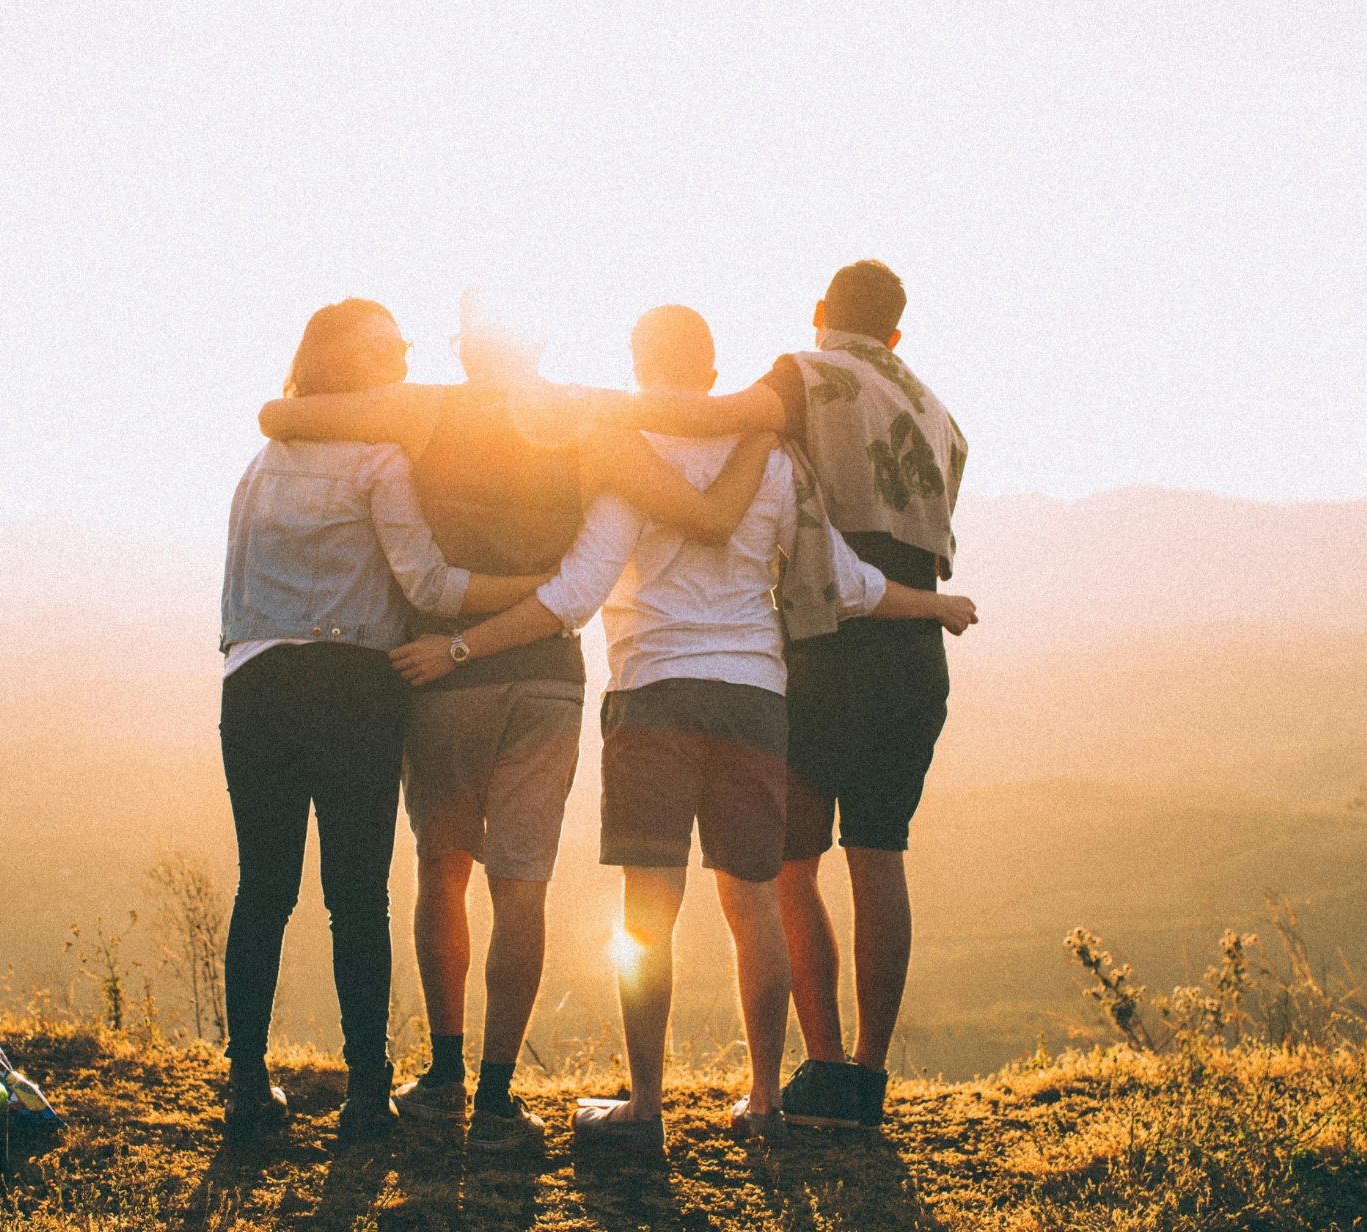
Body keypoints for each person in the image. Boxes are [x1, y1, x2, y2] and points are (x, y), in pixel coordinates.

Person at [389, 305, 975, 1154]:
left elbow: (575, 595)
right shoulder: (773, 460)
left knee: (647, 914)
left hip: (652, 695)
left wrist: (461, 645)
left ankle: (647, 1107)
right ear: (711, 373)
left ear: (637, 364)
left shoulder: (628, 457)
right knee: (754, 905)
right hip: (754, 701)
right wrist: (936, 605)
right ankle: (766, 1102)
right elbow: (845, 582)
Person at [256, 289, 777, 1152]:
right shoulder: (588, 419)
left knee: (442, 870)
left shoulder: (422, 411)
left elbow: (285, 415)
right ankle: (498, 1098)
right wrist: (761, 424)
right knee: (521, 885)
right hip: (545, 677)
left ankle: (445, 1073)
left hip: (440, 673)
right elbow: (702, 509)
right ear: (540, 339)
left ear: (465, 350)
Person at [595, 262, 974, 1130]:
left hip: (827, 641)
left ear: (819, 315)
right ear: (898, 333)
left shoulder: (805, 376)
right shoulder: (940, 413)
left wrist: (588, 408)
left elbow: (716, 418)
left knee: (786, 869)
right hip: (912, 645)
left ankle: (820, 1068)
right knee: (880, 855)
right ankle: (864, 1082)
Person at [218, 298, 551, 1144]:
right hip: (353, 688)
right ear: (348, 365)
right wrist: (539, 591)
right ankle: (368, 1093)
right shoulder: (378, 459)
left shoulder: (261, 463)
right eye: (388, 348)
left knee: (263, 889)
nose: (403, 358)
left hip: (253, 684)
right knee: (356, 897)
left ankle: (247, 1088)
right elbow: (431, 588)